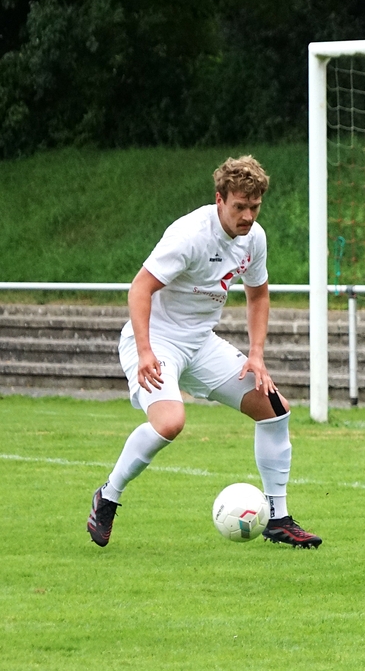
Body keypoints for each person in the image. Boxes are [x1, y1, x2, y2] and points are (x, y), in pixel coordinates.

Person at [86, 156, 321, 549]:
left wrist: (256, 354)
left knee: (274, 408)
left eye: (255, 206)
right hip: (157, 340)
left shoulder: (254, 238)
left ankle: (278, 519)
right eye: (239, 207)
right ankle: (107, 496)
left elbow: (258, 295)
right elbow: (140, 288)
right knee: (170, 423)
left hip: (201, 342)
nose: (248, 216)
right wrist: (145, 352)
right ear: (219, 199)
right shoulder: (190, 235)